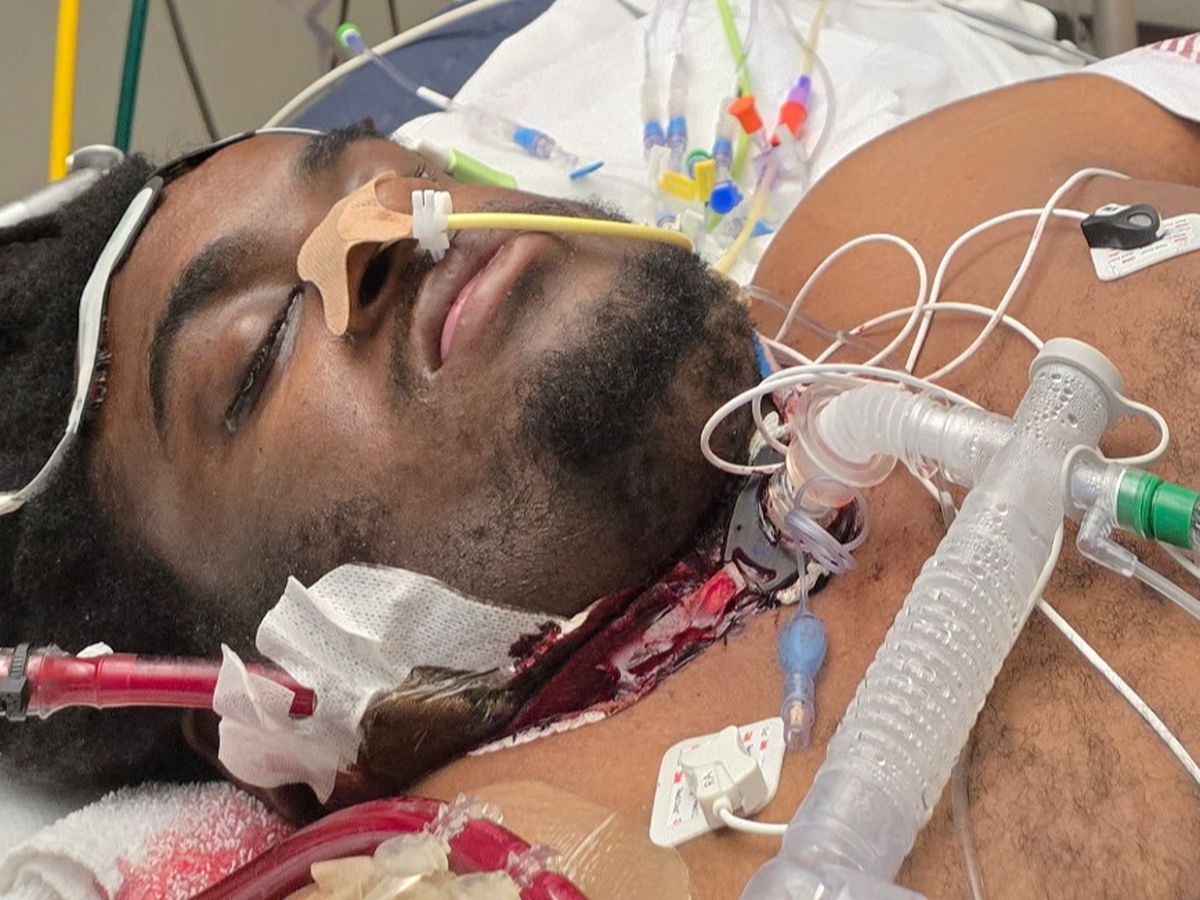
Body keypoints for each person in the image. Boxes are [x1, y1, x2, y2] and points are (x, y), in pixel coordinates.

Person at [3, 64, 1200, 900]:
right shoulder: (473, 870)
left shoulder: (946, 194)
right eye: (262, 348)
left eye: (391, 170)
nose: (380, 235)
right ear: (254, 715)